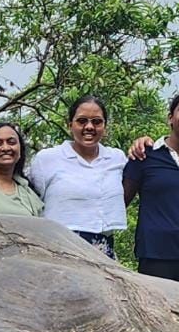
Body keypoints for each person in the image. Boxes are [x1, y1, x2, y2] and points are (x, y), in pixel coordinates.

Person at [121, 88, 179, 296]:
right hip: (154, 256)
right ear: (170, 117)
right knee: (154, 322)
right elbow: (121, 201)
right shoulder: (145, 156)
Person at [27, 95, 127, 257]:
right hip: (57, 247)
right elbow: (31, 202)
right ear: (69, 125)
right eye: (82, 121)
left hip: (102, 249)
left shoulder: (117, 158)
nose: (89, 127)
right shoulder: (47, 159)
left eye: (96, 121)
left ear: (104, 126)